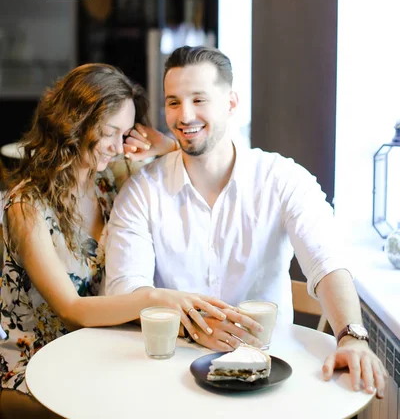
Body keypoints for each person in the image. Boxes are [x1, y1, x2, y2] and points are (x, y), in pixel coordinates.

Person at [106, 45, 387, 399]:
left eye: (199, 99)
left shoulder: (282, 178)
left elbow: (326, 261)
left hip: (270, 380)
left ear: (232, 103)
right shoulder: (141, 192)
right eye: (173, 101)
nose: (184, 115)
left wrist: (352, 337)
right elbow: (123, 290)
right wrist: (191, 326)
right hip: (168, 379)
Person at [0, 63, 235, 418]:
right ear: (73, 123)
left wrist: (163, 144)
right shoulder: (26, 207)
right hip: (36, 367)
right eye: (109, 132)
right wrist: (154, 298)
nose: (117, 146)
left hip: (98, 353)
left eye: (125, 133)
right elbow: (72, 311)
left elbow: (202, 164)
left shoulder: (112, 181)